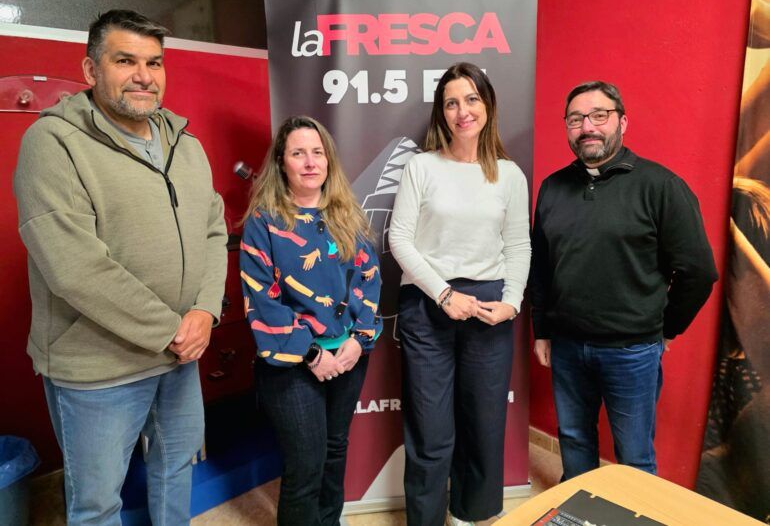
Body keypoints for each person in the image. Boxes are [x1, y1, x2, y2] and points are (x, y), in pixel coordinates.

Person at [13, 9, 227, 525]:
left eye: (154, 62)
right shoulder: (52, 143)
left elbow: (213, 230)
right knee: (97, 503)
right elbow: (74, 266)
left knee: (177, 467)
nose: (143, 76)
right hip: (99, 368)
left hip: (181, 355)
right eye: (125, 61)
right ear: (91, 70)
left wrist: (204, 312)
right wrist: (172, 330)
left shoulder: (186, 145)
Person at [530, 80, 718, 480]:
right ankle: (579, 508)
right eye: (576, 119)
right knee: (574, 441)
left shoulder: (661, 187)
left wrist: (665, 328)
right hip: (567, 347)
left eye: (599, 116)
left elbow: (699, 271)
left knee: (634, 458)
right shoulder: (552, 188)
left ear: (622, 122)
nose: (588, 127)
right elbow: (541, 267)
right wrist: (542, 329)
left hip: (631, 352)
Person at [389, 62, 531, 526]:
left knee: (483, 426)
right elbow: (399, 239)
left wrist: (512, 302)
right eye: (451, 102)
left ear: (488, 105)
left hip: (489, 309)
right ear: (441, 113)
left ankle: (470, 515)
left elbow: (518, 245)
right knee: (430, 432)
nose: (462, 111)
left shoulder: (509, 175)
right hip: (428, 304)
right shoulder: (421, 166)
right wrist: (444, 295)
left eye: (471, 99)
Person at [240, 115, 382, 526]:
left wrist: (359, 339)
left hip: (349, 356)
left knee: (335, 452)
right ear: (281, 162)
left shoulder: (347, 215)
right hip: (294, 364)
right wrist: (313, 353)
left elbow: (369, 279)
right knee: (306, 463)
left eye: (317, 152)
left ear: (328, 160)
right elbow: (263, 301)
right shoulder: (264, 223)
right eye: (298, 153)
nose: (309, 162)